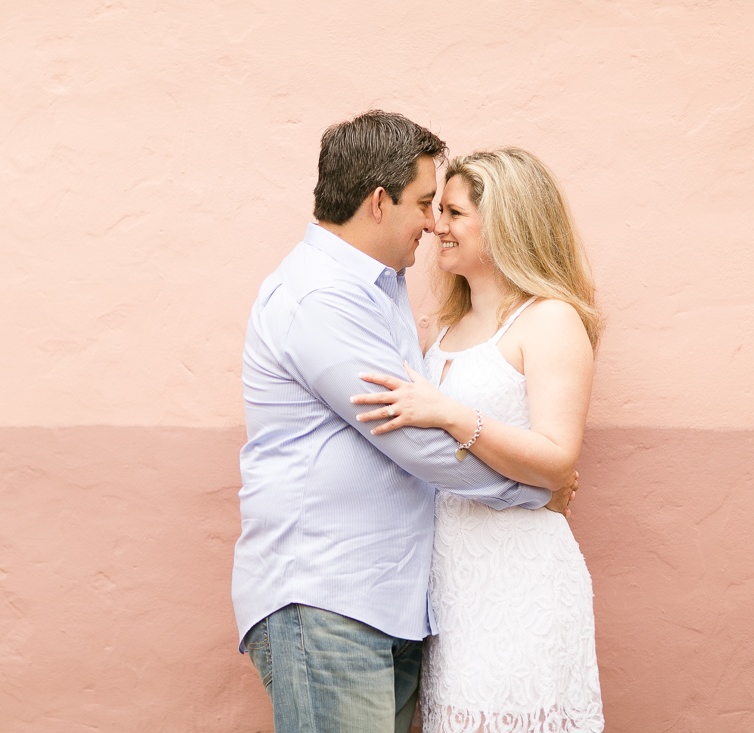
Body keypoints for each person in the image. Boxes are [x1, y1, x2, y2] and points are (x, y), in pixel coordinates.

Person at [232, 113, 578, 733]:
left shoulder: (381, 288)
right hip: (328, 601)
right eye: (424, 203)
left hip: (391, 604)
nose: (431, 222)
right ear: (377, 201)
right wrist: (531, 489)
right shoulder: (320, 298)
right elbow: (412, 437)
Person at [351, 147, 605, 731]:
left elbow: (558, 458)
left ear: (505, 223)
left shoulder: (550, 320)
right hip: (452, 581)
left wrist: (452, 414)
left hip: (520, 575)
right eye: (436, 208)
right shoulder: (440, 327)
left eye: (454, 212)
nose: (436, 224)